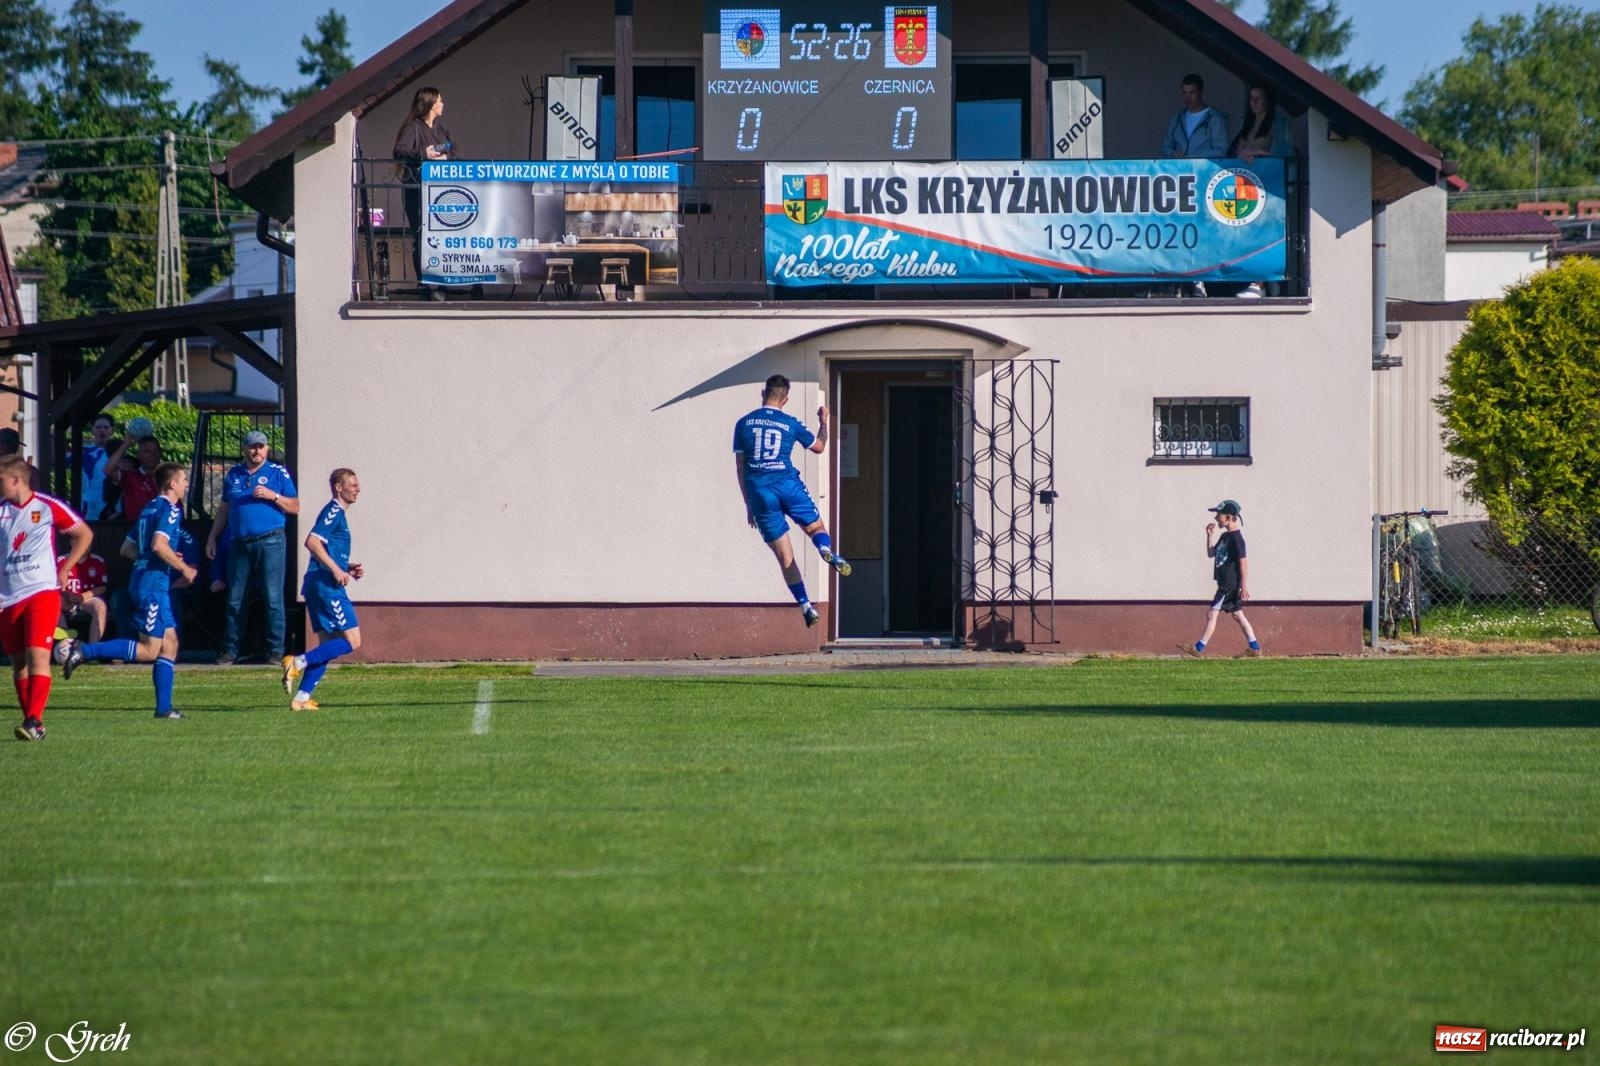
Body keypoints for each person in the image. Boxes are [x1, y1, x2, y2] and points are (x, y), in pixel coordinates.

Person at [61, 463, 198, 720]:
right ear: (172, 484)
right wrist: (184, 568)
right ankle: (84, 651)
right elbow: (159, 545)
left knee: (170, 644)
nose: (186, 484)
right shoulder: (170, 509)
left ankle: (164, 709)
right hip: (153, 586)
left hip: (145, 579)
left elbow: (127, 549)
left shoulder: (149, 508)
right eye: (183, 479)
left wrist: (160, 557)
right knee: (149, 649)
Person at [733, 375, 851, 628]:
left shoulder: (743, 424)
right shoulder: (789, 423)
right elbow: (818, 447)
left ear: (762, 393)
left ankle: (805, 605)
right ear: (786, 399)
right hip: (788, 485)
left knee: (785, 557)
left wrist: (748, 504)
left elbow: (740, 467)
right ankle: (826, 551)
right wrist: (823, 422)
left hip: (760, 492)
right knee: (816, 528)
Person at [0, 455, 92, 741]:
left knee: (38, 655)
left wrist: (65, 568)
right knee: (18, 662)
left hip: (41, 591)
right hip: (7, 597)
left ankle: (34, 721)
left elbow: (84, 535)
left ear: (15, 480)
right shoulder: (1, 511)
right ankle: (31, 721)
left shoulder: (47, 506)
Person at [207, 430, 298, 665]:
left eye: (261, 447)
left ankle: (276, 651)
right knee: (235, 599)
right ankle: (230, 650)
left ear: (267, 449)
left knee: (272, 598)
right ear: (244, 449)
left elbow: (295, 506)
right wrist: (212, 538)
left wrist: (272, 495)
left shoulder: (278, 473)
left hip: (271, 541)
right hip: (239, 543)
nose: (256, 451)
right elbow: (224, 509)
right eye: (252, 447)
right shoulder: (234, 475)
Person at [280, 469, 364, 711]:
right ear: (339, 487)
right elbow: (312, 542)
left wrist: (346, 567)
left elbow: (326, 549)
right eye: (353, 485)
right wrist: (336, 571)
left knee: (327, 643)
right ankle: (296, 662)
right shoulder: (334, 510)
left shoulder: (338, 514)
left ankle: (302, 698)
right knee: (352, 641)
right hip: (326, 586)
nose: (357, 489)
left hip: (319, 583)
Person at [1161, 74, 1230, 299]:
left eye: (1191, 93)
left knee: (1203, 229)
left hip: (1205, 182)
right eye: (1184, 93)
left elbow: (1220, 149)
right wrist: (1174, 154)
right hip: (1181, 183)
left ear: (1201, 92)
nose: (1187, 98)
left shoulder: (1214, 118)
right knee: (1181, 229)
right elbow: (1165, 147)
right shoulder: (1177, 118)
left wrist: (1192, 157)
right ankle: (1183, 278)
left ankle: (1203, 278)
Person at [1228, 83, 1293, 299]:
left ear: (1268, 101)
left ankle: (1259, 283)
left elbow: (1284, 150)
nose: (1254, 102)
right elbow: (1232, 150)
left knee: (1266, 235)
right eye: (1251, 98)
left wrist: (1257, 151)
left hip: (1270, 189)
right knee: (1247, 236)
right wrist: (1243, 153)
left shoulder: (1278, 123)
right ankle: (1250, 280)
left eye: (1259, 98)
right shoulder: (1244, 125)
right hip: (1245, 187)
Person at [393, 86, 457, 299]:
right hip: (417, 191)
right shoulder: (414, 128)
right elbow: (399, 151)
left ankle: (439, 281)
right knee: (422, 235)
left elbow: (456, 150)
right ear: (430, 104)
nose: (443, 103)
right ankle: (426, 283)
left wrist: (445, 158)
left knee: (440, 236)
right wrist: (424, 154)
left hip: (440, 192)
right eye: (440, 100)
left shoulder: (441, 129)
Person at [1181, 499, 1262, 658]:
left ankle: (1198, 648)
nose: (1217, 518)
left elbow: (1243, 564)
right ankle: (1255, 648)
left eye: (1220, 514)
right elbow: (1211, 554)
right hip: (1226, 583)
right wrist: (1209, 536)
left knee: (1212, 613)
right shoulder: (1225, 537)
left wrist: (1244, 587)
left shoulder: (1237, 539)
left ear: (1230, 517)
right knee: (1238, 615)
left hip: (1229, 585)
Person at [57, 548, 109, 643]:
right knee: (52, 602)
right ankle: (65, 638)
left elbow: (102, 588)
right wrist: (68, 595)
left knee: (100, 606)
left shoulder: (97, 561)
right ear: (72, 543)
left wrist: (84, 596)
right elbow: (57, 585)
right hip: (67, 599)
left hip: (87, 599)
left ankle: (93, 649)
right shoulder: (62, 560)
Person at [68, 413, 116, 516]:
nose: (102, 430)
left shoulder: (119, 453)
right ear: (92, 430)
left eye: (106, 427)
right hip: (86, 506)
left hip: (112, 506)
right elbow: (56, 459)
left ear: (112, 430)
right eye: (98, 427)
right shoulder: (82, 452)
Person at [109, 436, 161, 520]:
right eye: (147, 451)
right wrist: (125, 445)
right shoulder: (130, 477)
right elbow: (108, 470)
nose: (153, 455)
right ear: (138, 455)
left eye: (156, 451)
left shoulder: (167, 478)